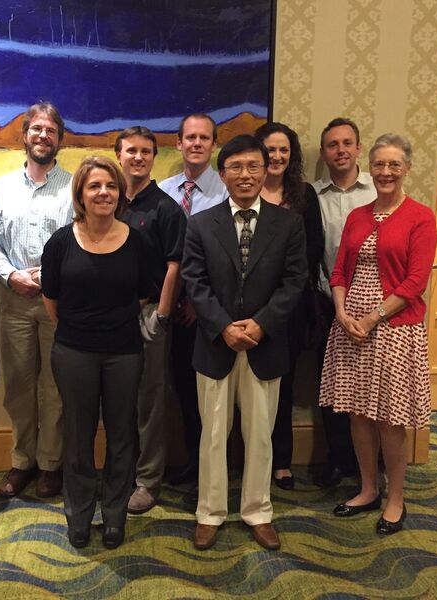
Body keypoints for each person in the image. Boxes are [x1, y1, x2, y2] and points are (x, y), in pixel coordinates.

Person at [181, 135, 307, 550]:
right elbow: (193, 282)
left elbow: (295, 282)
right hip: (216, 345)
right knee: (213, 434)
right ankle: (210, 512)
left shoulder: (288, 223)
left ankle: (258, 510)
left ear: (266, 168)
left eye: (254, 165)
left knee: (261, 435)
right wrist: (224, 326)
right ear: (223, 174)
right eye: (236, 167)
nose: (246, 174)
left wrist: (261, 325)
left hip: (264, 345)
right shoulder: (201, 223)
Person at [319, 134, 436, 535]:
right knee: (357, 414)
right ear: (371, 168)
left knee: (390, 418)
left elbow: (415, 282)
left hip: (393, 329)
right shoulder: (358, 215)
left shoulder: (421, 216)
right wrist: (341, 312)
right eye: (380, 165)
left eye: (394, 165)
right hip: (349, 327)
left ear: (407, 169)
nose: (386, 172)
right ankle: (367, 489)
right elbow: (339, 271)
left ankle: (395, 498)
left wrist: (371, 319)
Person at [41, 156, 153, 549]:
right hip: (74, 352)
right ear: (81, 195)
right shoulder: (59, 242)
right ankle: (79, 514)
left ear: (120, 193)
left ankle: (115, 516)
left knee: (123, 436)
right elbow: (51, 301)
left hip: (124, 352)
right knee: (77, 436)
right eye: (94, 186)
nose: (103, 193)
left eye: (110, 186)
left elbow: (143, 295)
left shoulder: (138, 241)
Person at [0, 102, 72, 499]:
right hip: (13, 300)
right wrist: (11, 275)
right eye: (36, 129)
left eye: (50, 130)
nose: (43, 136)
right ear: (24, 135)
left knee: (56, 386)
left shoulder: (75, 188)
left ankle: (52, 465)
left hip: (60, 303)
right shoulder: (0, 188)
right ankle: (23, 461)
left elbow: (83, 239)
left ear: (60, 139)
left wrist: (51, 275)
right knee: (19, 385)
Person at [115, 127, 188, 514]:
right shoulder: (107, 199)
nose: (138, 157)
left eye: (145, 151)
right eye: (131, 151)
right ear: (119, 155)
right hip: (111, 318)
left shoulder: (165, 207)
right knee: (117, 400)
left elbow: (175, 265)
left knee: (149, 401)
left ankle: (148, 480)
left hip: (148, 316)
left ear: (154, 156)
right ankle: (120, 474)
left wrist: (160, 314)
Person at [254, 122, 323, 490]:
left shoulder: (304, 196)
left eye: (284, 150)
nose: (277, 156)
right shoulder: (244, 191)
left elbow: (311, 253)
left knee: (282, 383)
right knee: (248, 386)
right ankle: (249, 457)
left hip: (291, 307)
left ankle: (280, 460)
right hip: (247, 308)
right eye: (270, 149)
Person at [159, 113, 227, 485]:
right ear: (179, 143)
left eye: (204, 138)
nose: (197, 143)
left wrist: (199, 304)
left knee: (210, 397)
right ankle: (192, 463)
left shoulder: (227, 191)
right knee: (181, 390)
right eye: (190, 137)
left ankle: (213, 471)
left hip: (208, 314)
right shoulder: (165, 191)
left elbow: (228, 260)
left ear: (213, 144)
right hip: (168, 308)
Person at [312, 117, 377, 488]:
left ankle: (374, 466)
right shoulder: (314, 197)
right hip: (328, 303)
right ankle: (339, 460)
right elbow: (316, 253)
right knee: (333, 389)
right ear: (323, 153)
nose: (340, 150)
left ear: (358, 148)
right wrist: (332, 297)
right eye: (332, 145)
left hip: (376, 307)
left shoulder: (376, 191)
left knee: (372, 387)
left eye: (347, 143)